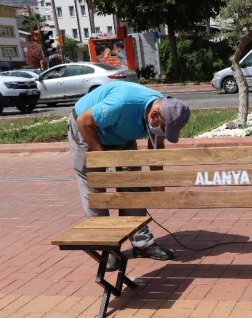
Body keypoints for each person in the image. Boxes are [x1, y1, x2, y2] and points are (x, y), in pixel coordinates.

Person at [68, 81, 191, 271]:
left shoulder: (164, 109)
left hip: (120, 136)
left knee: (133, 186)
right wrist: (106, 161)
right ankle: (107, 249)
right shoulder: (122, 103)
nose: (163, 133)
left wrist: (157, 180)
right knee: (96, 192)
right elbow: (84, 122)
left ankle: (142, 244)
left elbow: (155, 146)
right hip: (87, 130)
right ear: (154, 115)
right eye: (165, 129)